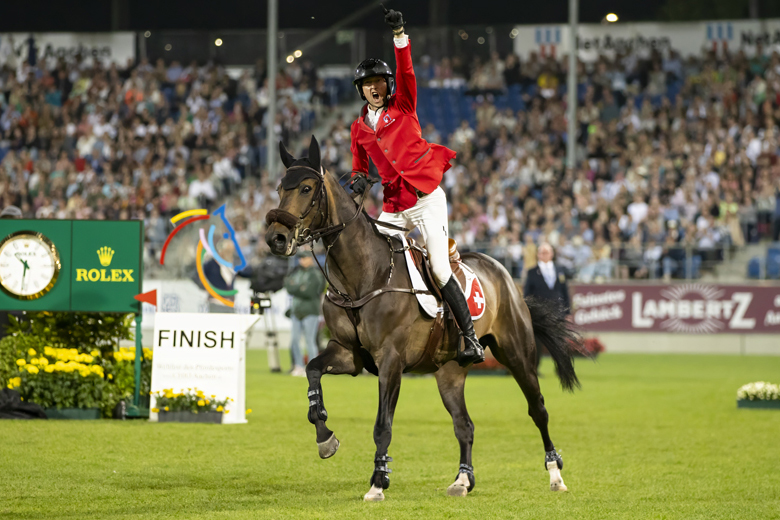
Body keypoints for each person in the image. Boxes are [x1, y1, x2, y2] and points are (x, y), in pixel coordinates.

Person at [348, 6, 483, 367]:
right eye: (367, 84)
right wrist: (356, 182)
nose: (374, 88)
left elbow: (406, 70)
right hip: (393, 207)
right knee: (371, 260)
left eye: (378, 82)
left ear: (387, 86)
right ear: (361, 91)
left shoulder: (404, 105)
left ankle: (469, 337)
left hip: (426, 200)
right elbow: (358, 169)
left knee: (439, 267)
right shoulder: (358, 129)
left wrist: (400, 36)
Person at [523, 243, 570, 370]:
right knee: (536, 343)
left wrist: (567, 312)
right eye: (542, 252)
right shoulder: (532, 272)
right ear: (538, 254)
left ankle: (562, 368)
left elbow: (565, 292)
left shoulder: (559, 270)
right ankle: (535, 368)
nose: (544, 254)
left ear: (552, 254)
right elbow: (527, 293)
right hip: (539, 313)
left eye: (547, 252)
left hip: (557, 312)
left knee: (559, 341)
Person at [284, 252, 326, 377]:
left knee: (310, 340)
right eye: (301, 258)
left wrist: (295, 287)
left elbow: (310, 291)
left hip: (310, 311)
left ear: (310, 259)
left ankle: (312, 368)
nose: (302, 260)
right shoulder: (297, 272)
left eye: (305, 258)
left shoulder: (316, 274)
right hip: (296, 310)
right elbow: (288, 287)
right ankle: (298, 365)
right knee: (294, 340)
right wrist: (299, 287)